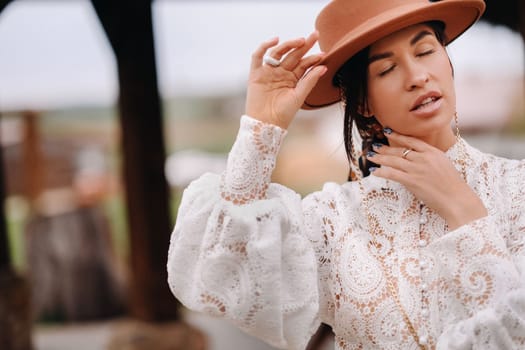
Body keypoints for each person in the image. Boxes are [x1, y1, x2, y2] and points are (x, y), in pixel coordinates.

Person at [167, 0, 525, 349]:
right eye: (386, 69)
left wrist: (464, 210)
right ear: (362, 103)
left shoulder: (517, 188)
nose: (417, 77)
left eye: (426, 51)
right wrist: (261, 129)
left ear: (448, 61)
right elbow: (219, 280)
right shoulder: (332, 220)